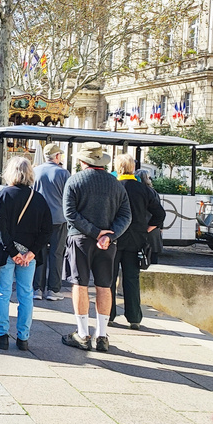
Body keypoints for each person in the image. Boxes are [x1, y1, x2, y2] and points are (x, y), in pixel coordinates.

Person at [0, 156, 52, 351]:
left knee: (3, 293)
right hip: (29, 255)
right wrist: (31, 253)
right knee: (26, 294)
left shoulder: (4, 195)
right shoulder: (39, 198)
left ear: (10, 172)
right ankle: (23, 338)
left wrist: (13, 251)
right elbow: (47, 229)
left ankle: (2, 335)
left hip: (6, 252)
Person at [61, 142, 132, 353]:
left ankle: (83, 334)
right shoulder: (116, 184)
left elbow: (70, 213)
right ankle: (102, 335)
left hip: (80, 239)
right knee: (104, 286)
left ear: (83, 161)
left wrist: (93, 231)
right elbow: (126, 216)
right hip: (108, 244)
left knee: (80, 284)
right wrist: (109, 234)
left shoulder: (74, 181)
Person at [110, 159, 165, 330]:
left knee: (109, 278)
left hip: (114, 237)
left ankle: (109, 314)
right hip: (136, 239)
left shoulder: (113, 187)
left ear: (118, 168)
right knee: (132, 278)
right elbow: (160, 214)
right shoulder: (144, 189)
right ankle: (134, 318)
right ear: (133, 169)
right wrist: (146, 229)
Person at [32, 143, 70, 302]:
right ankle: (53, 289)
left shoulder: (35, 171)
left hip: (39, 219)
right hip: (59, 219)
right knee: (56, 253)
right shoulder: (63, 173)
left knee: (38, 253)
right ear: (56, 156)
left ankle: (37, 289)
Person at [135, 169, 164, 264]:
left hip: (143, 228)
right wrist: (160, 226)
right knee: (153, 259)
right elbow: (159, 211)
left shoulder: (138, 192)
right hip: (153, 229)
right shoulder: (153, 192)